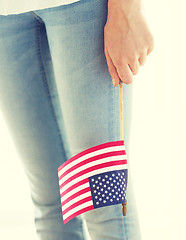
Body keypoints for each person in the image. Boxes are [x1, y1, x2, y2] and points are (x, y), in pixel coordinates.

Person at [0, 0, 154, 239]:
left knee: (105, 203)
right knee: (51, 204)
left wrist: (128, 10)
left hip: (81, 6)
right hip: (5, 16)